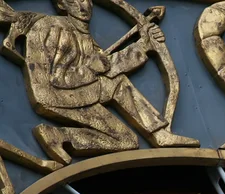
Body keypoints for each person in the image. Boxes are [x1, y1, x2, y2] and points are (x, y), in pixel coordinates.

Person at [20, 0, 198, 164]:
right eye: (72, 0)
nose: (82, 6)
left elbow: (107, 66)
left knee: (127, 140)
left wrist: (143, 45)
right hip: (56, 95)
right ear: (61, 4)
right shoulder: (56, 28)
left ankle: (59, 136)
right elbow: (57, 77)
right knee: (117, 82)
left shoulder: (82, 33)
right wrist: (91, 68)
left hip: (78, 92)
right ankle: (158, 134)